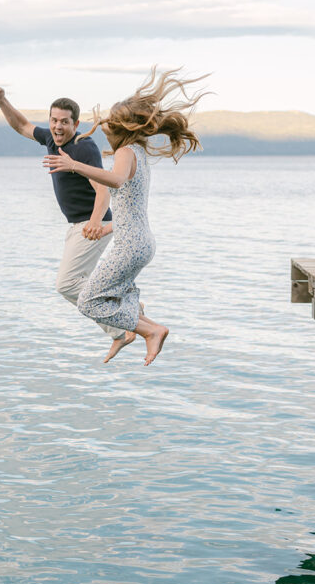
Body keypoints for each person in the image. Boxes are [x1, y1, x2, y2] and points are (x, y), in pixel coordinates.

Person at [42, 68, 206, 365]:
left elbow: (115, 182)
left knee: (89, 301)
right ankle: (131, 324)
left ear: (122, 128)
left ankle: (150, 330)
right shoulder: (140, 153)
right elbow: (130, 205)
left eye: (110, 124)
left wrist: (73, 165)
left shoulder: (125, 152)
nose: (104, 127)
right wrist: (105, 230)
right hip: (140, 243)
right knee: (115, 294)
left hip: (130, 247)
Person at [0, 86, 135, 359]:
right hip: (77, 226)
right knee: (81, 281)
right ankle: (123, 314)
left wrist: (94, 221)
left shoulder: (83, 147)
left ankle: (125, 323)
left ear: (75, 124)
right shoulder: (51, 141)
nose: (57, 126)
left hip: (92, 225)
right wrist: (2, 101)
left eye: (64, 122)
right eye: (54, 120)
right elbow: (21, 125)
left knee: (67, 284)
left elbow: (103, 188)